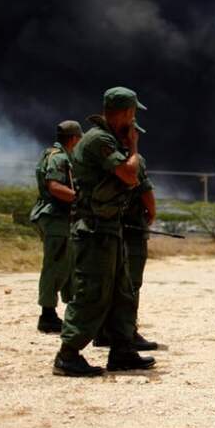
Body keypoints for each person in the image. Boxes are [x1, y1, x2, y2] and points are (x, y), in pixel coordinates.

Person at [53, 87, 155, 377]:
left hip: (110, 228)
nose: (134, 119)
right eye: (133, 112)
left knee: (122, 290)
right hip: (93, 231)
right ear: (124, 112)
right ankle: (67, 355)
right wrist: (134, 147)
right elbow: (129, 175)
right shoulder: (99, 140)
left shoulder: (109, 139)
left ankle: (122, 351)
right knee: (91, 292)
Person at [94, 154, 158, 351]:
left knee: (108, 281)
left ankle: (104, 332)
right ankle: (126, 332)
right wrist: (152, 213)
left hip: (104, 227)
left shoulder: (98, 156)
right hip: (132, 230)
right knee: (130, 284)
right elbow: (144, 190)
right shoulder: (132, 159)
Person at [30, 120, 82, 333]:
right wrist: (81, 199)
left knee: (68, 264)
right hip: (55, 218)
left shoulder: (53, 154)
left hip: (60, 218)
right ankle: (47, 316)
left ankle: (70, 312)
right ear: (73, 139)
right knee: (55, 265)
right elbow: (55, 186)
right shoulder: (59, 158)